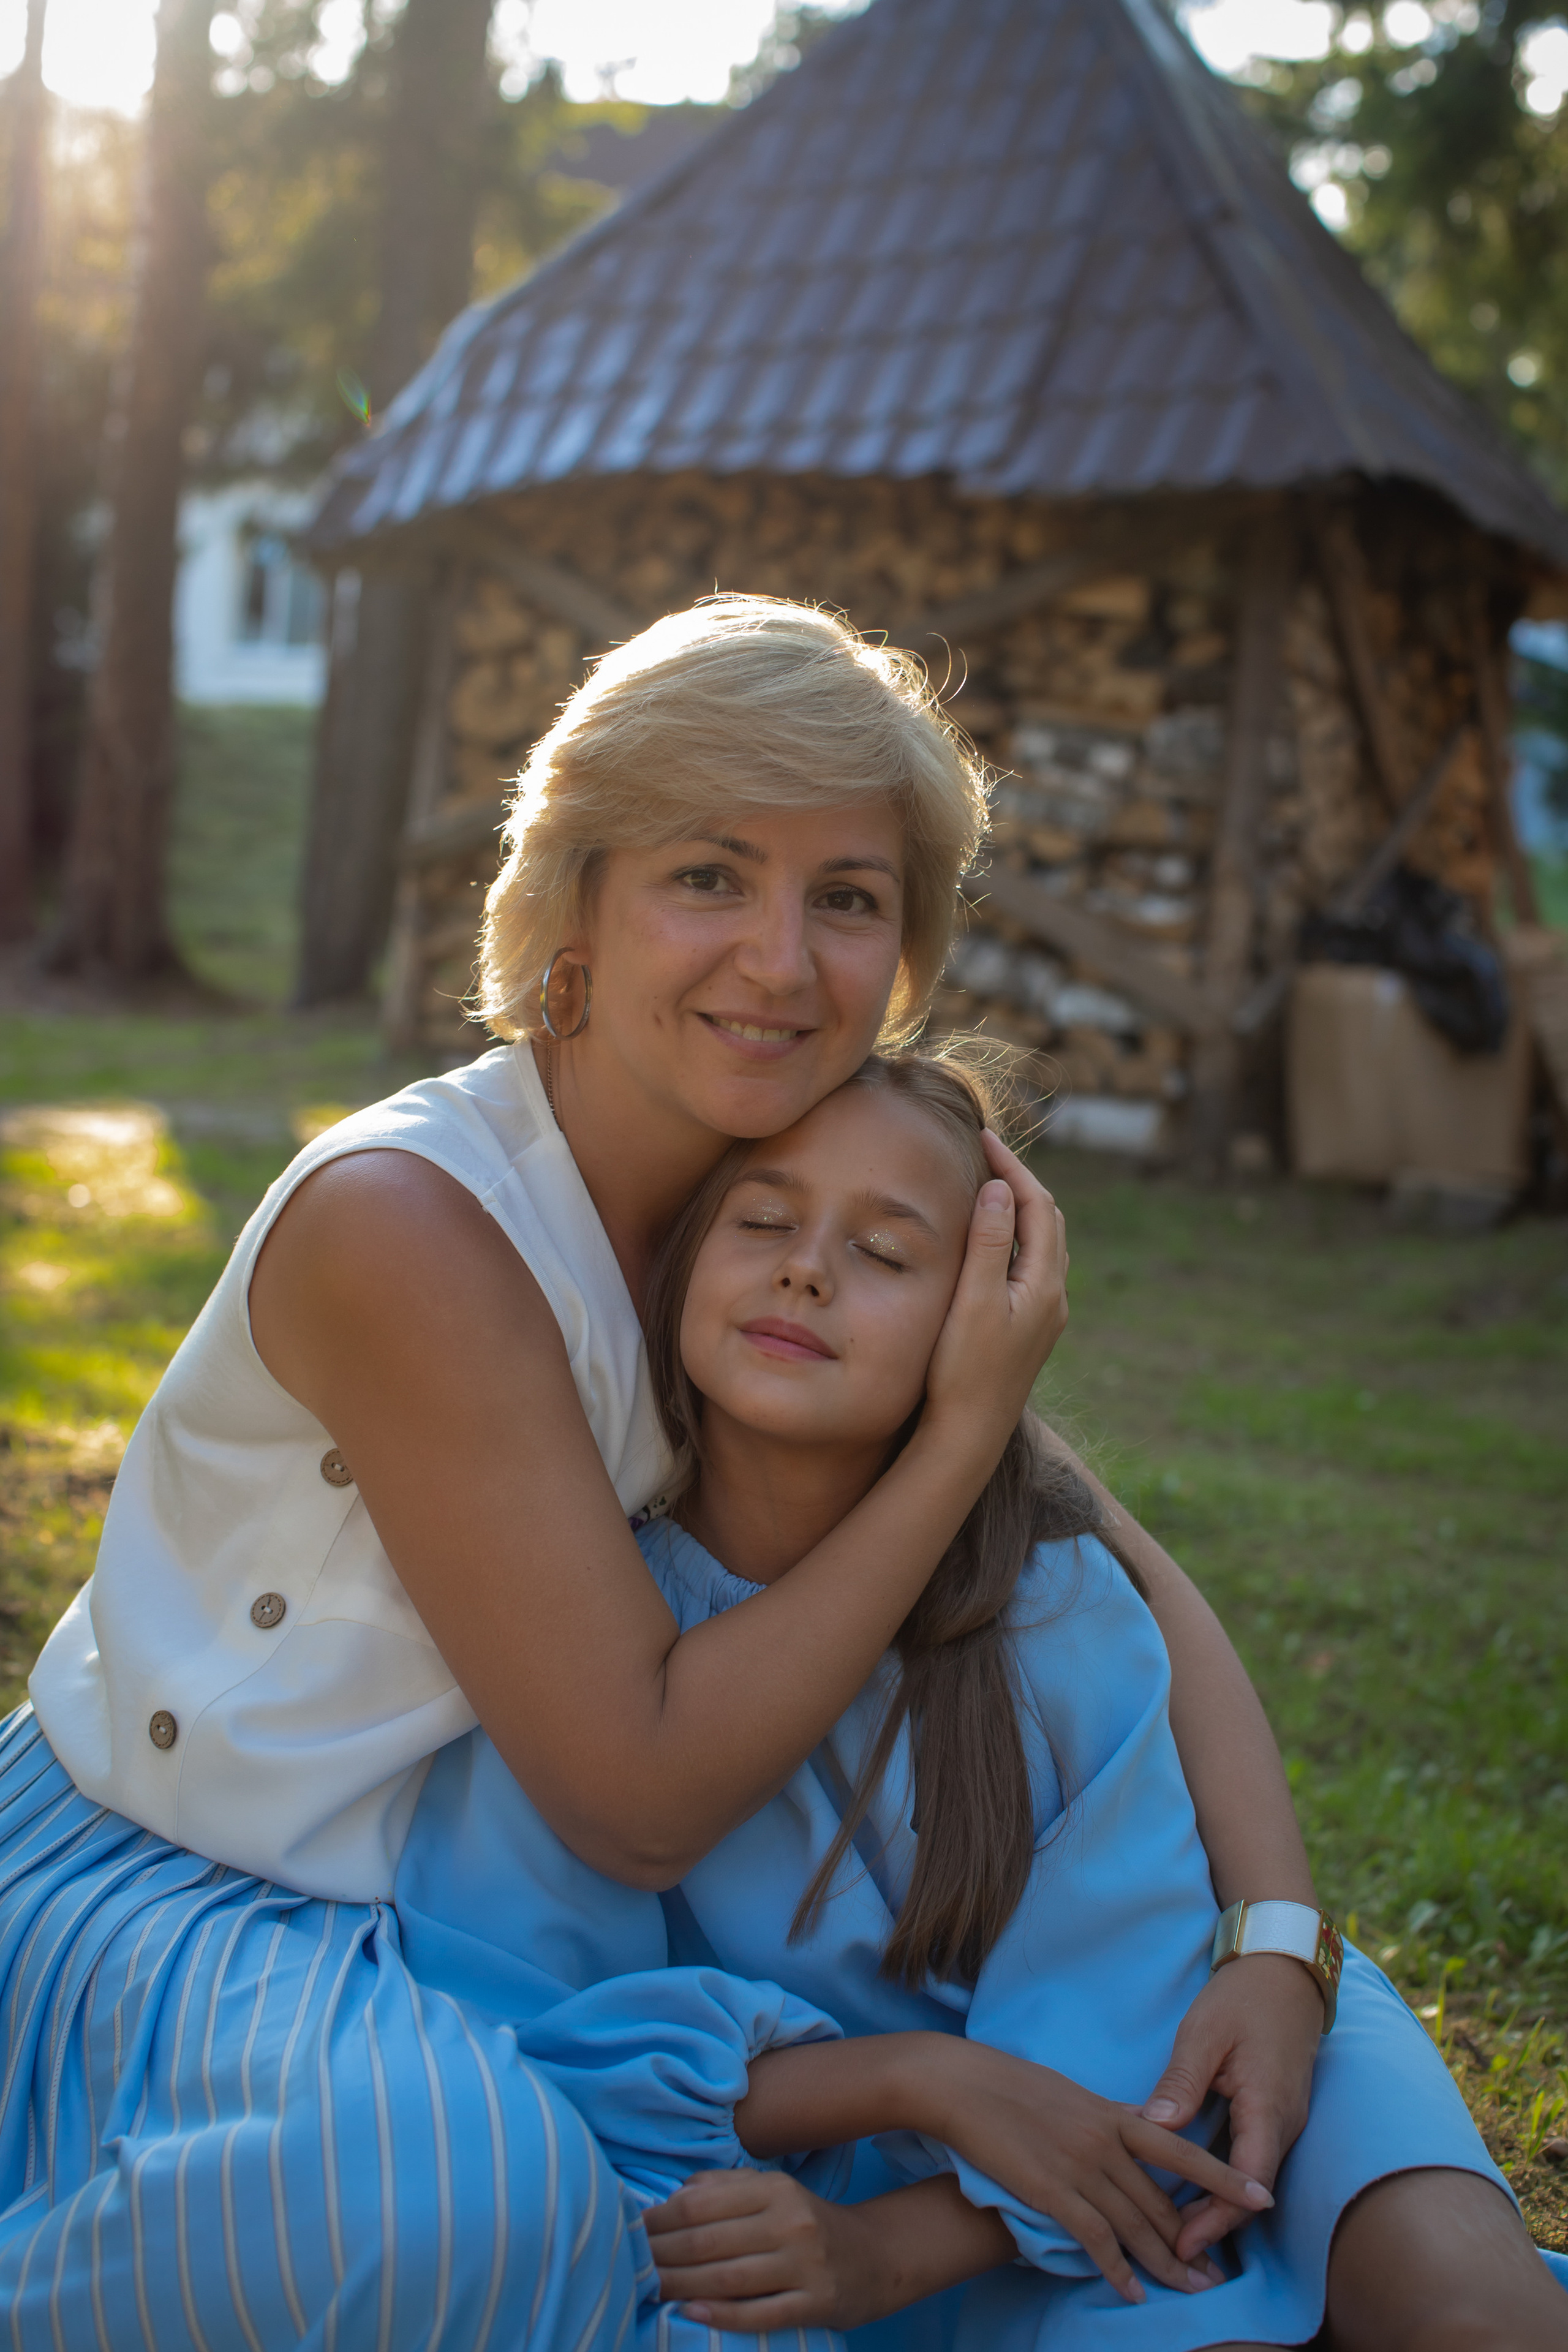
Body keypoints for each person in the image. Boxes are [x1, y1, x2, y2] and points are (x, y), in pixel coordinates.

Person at [2, 600, 1333, 2343]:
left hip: (488, 1926)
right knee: (474, 2204)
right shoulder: (416, 1225)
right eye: (710, 874)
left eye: (845, 898)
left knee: (642, 2219)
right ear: (574, 903)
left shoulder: (769, 1198)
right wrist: (954, 1431)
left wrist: (1278, 1939)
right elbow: (637, 1798)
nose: (780, 963)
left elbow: (1135, 1582)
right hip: (205, 1877)